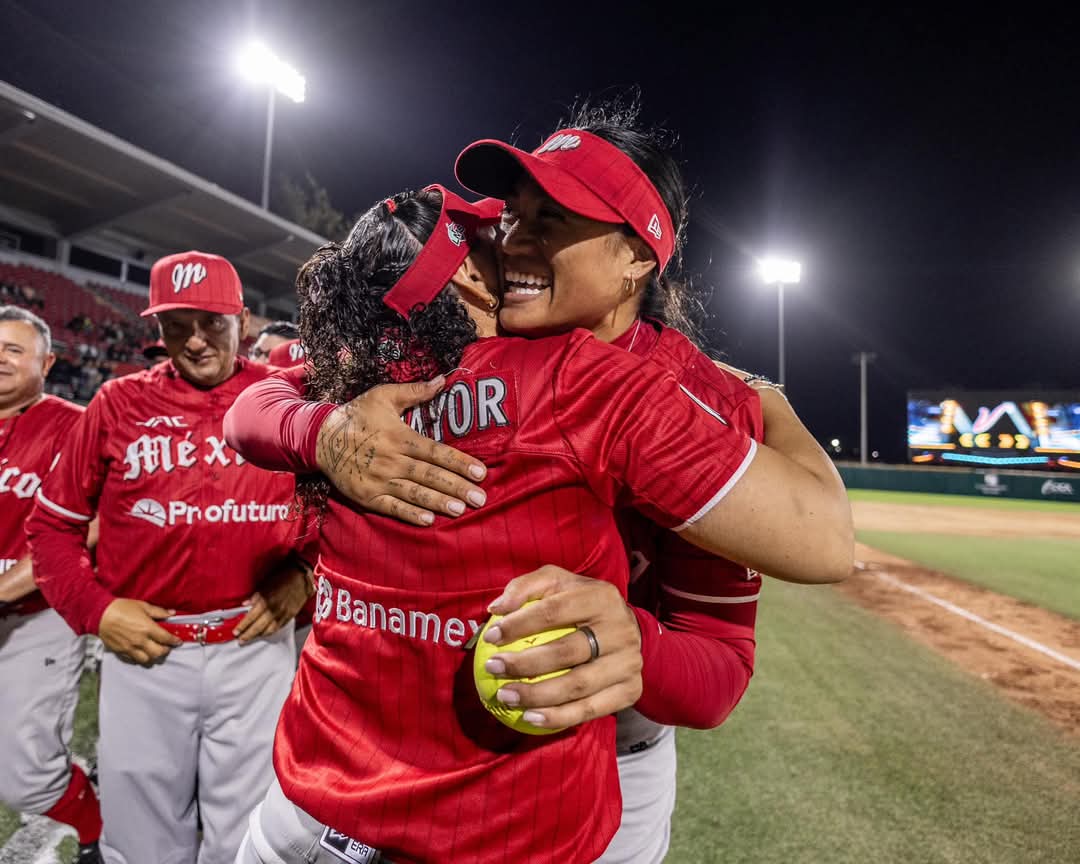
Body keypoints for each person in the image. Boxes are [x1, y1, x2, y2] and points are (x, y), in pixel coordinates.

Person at [229, 99, 853, 862]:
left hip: (598, 755)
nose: (513, 241)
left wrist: (636, 646)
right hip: (385, 763)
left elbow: (722, 663)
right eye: (510, 214)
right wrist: (323, 432)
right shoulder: (459, 324)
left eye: (552, 221)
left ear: (638, 259)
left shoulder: (704, 404)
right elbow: (265, 394)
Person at [26, 251, 315, 864]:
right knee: (141, 838)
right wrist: (98, 613)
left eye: (211, 321)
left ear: (243, 318)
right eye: (176, 324)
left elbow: (336, 513)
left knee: (253, 834)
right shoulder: (116, 403)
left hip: (253, 647)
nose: (195, 339)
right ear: (156, 328)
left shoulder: (285, 399)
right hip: (147, 651)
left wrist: (307, 574)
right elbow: (52, 527)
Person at [0, 306, 104, 864]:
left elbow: (94, 523)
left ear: (49, 361)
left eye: (14, 349)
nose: (0, 357)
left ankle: (96, 826)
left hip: (37, 614)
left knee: (24, 778)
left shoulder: (75, 422)